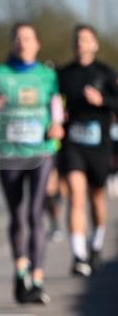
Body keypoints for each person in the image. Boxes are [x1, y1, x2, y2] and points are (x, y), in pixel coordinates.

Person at [0, 23, 64, 304]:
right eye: (17, 38)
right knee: (17, 214)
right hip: (9, 152)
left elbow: (55, 106)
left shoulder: (47, 75)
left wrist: (57, 124)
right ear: (12, 43)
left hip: (40, 150)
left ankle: (38, 278)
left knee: (35, 212)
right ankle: (21, 271)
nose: (22, 42)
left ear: (37, 43)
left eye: (28, 38)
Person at [56, 24, 118, 275]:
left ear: (95, 45)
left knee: (96, 198)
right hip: (73, 143)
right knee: (76, 194)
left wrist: (102, 101)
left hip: (99, 144)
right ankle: (79, 255)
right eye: (77, 40)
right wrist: (57, 119)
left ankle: (96, 241)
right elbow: (53, 101)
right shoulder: (64, 74)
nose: (81, 43)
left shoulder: (106, 73)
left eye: (86, 39)